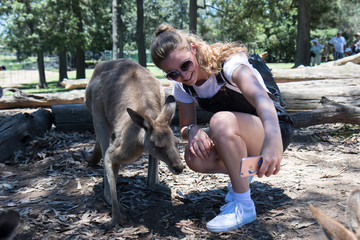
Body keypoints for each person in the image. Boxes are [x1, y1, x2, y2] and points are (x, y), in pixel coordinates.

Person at [150, 25, 294, 232]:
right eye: (173, 74)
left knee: (220, 121)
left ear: (193, 49)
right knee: (194, 156)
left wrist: (273, 141)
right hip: (243, 133)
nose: (183, 75)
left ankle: (243, 205)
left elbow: (262, 99)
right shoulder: (183, 86)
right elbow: (184, 126)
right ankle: (242, 176)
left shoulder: (230, 65)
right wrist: (192, 131)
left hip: (275, 128)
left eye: (185, 65)